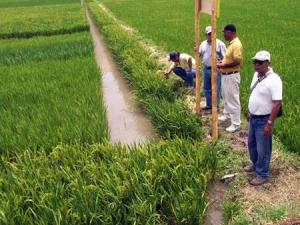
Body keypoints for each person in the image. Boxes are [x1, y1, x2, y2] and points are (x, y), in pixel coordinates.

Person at [244, 50, 282, 186]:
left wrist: (269, 123)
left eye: (260, 62)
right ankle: (255, 165)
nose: (256, 65)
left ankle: (262, 174)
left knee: (263, 148)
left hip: (264, 120)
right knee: (251, 144)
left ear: (267, 63)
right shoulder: (256, 75)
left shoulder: (274, 80)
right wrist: (250, 111)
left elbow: (277, 103)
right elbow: (255, 94)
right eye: (255, 62)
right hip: (253, 117)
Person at [217, 24, 243, 132]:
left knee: (233, 99)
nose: (223, 35)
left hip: (231, 75)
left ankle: (236, 123)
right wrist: (221, 62)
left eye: (225, 32)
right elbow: (228, 59)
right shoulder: (231, 44)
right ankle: (227, 114)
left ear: (231, 32)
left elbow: (237, 61)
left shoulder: (236, 45)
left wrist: (223, 65)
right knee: (226, 97)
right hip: (226, 75)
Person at [199, 26, 226, 110]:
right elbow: (199, 54)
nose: (211, 35)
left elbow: (225, 57)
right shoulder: (203, 44)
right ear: (206, 35)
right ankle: (209, 105)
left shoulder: (220, 44)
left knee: (216, 88)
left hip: (215, 70)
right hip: (206, 68)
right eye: (209, 34)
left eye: (212, 33)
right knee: (207, 88)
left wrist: (220, 66)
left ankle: (215, 106)